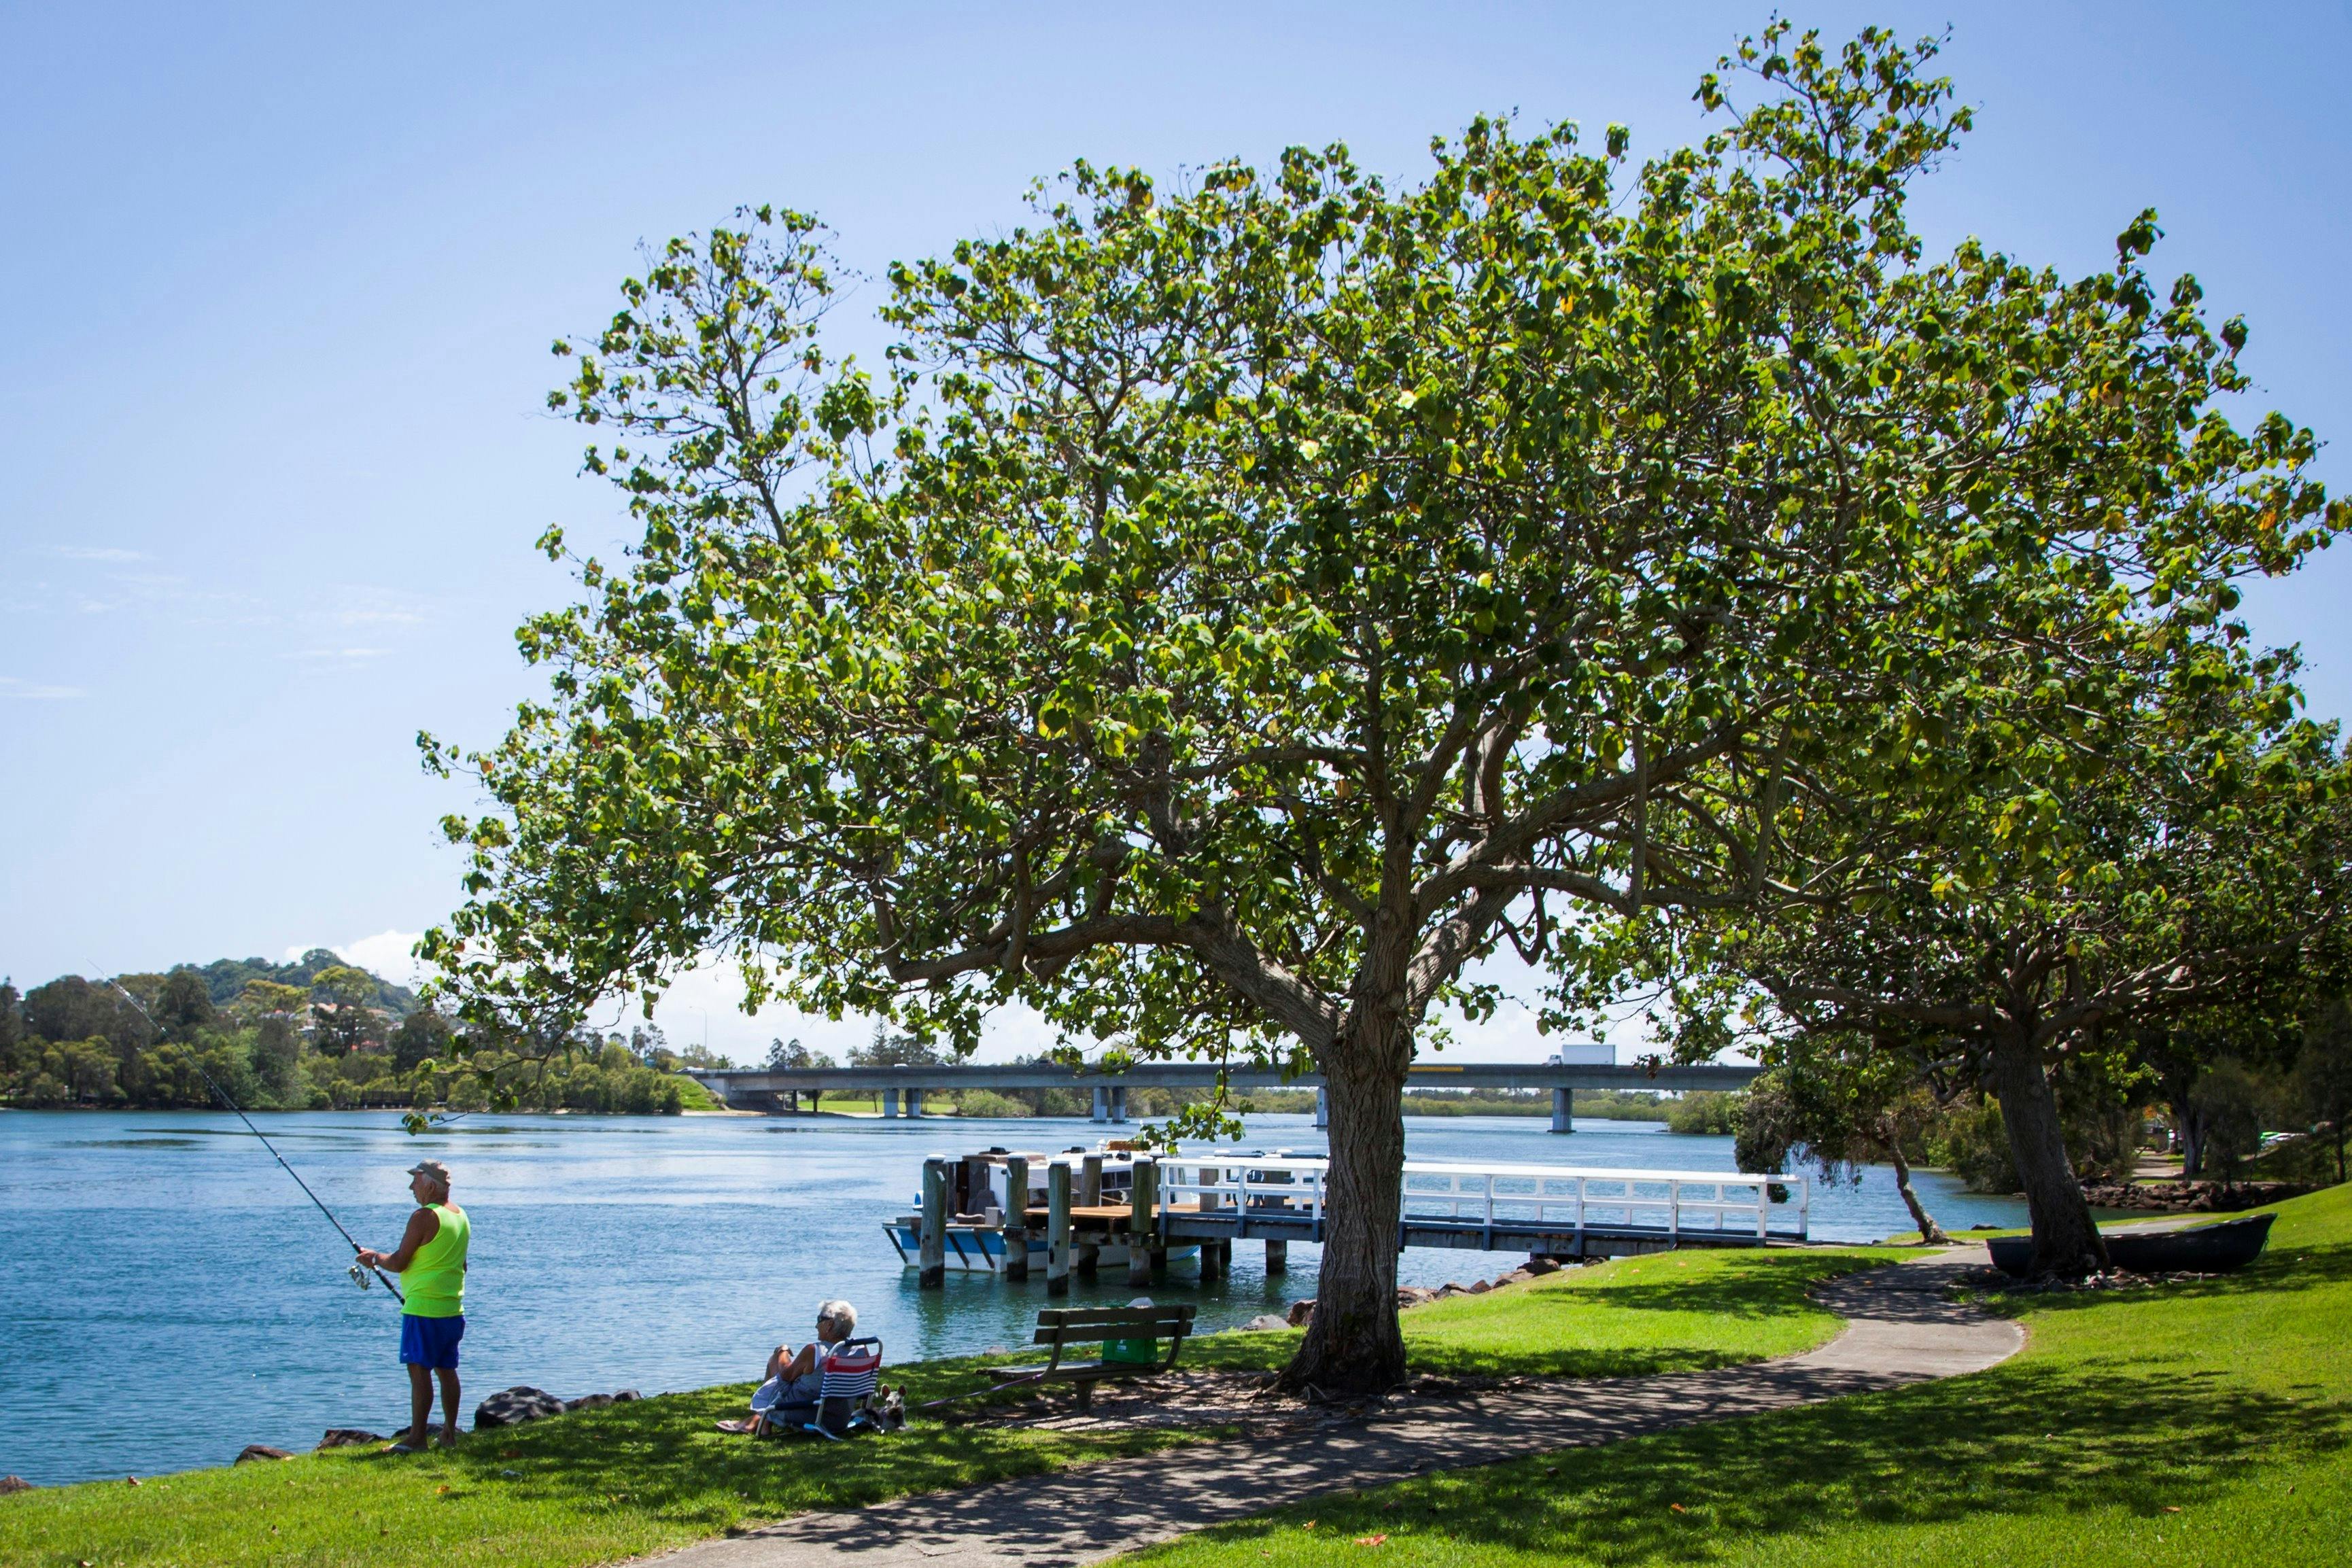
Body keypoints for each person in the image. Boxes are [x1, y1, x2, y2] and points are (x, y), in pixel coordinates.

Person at [356, 1158, 470, 1452]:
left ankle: (417, 1439)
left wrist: (374, 1258)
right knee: (447, 1370)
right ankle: (448, 1434)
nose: (411, 1187)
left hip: (423, 1310)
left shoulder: (423, 1216)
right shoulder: (461, 1216)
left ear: (430, 1185)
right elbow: (463, 1264)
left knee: (419, 1372)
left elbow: (399, 1261)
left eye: (415, 1181)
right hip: (451, 1310)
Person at [719, 1300, 857, 1435]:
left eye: (820, 1319)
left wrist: (782, 1352)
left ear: (829, 1325)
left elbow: (786, 1375)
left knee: (776, 1360)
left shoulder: (814, 1351)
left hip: (810, 1414)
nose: (816, 1325)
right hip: (840, 1418)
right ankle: (760, 1420)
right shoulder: (859, 1350)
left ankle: (762, 1420)